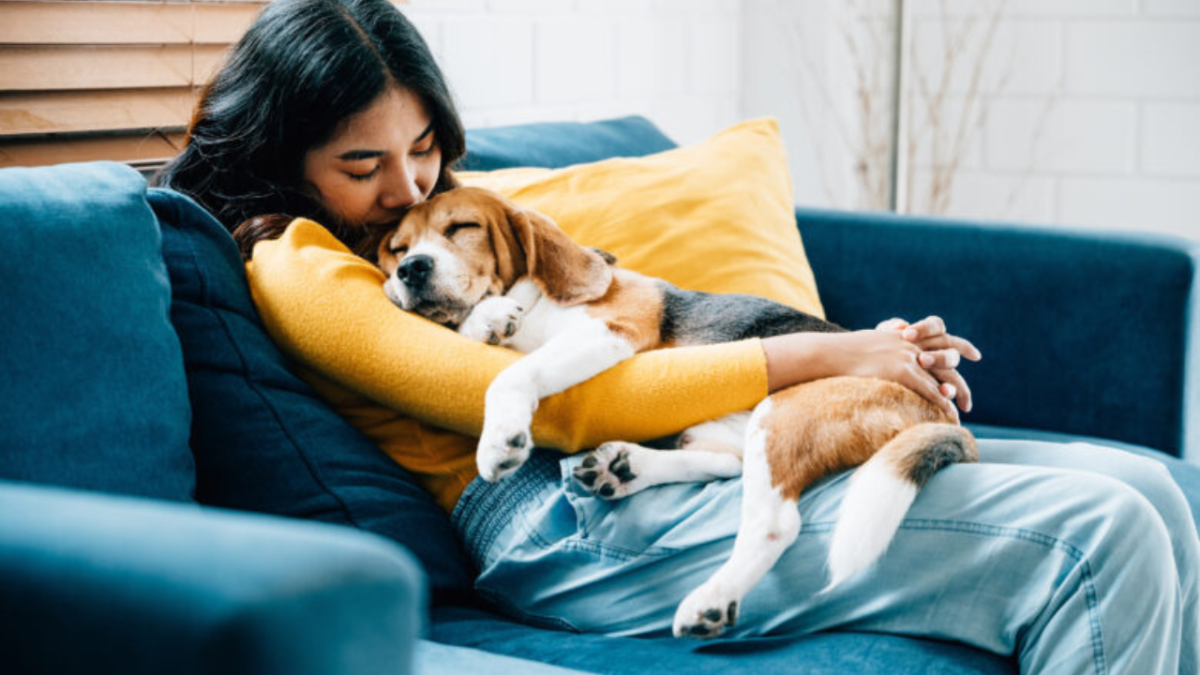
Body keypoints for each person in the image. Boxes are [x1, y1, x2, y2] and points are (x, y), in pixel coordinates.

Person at [156, 0, 1199, 672]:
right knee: (1099, 543)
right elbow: (566, 407)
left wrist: (864, 355)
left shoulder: (440, 219)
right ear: (287, 156)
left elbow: (605, 296)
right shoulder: (303, 267)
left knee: (1154, 492)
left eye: (425, 150)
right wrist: (835, 352)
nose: (408, 190)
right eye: (362, 166)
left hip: (683, 454)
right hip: (559, 519)